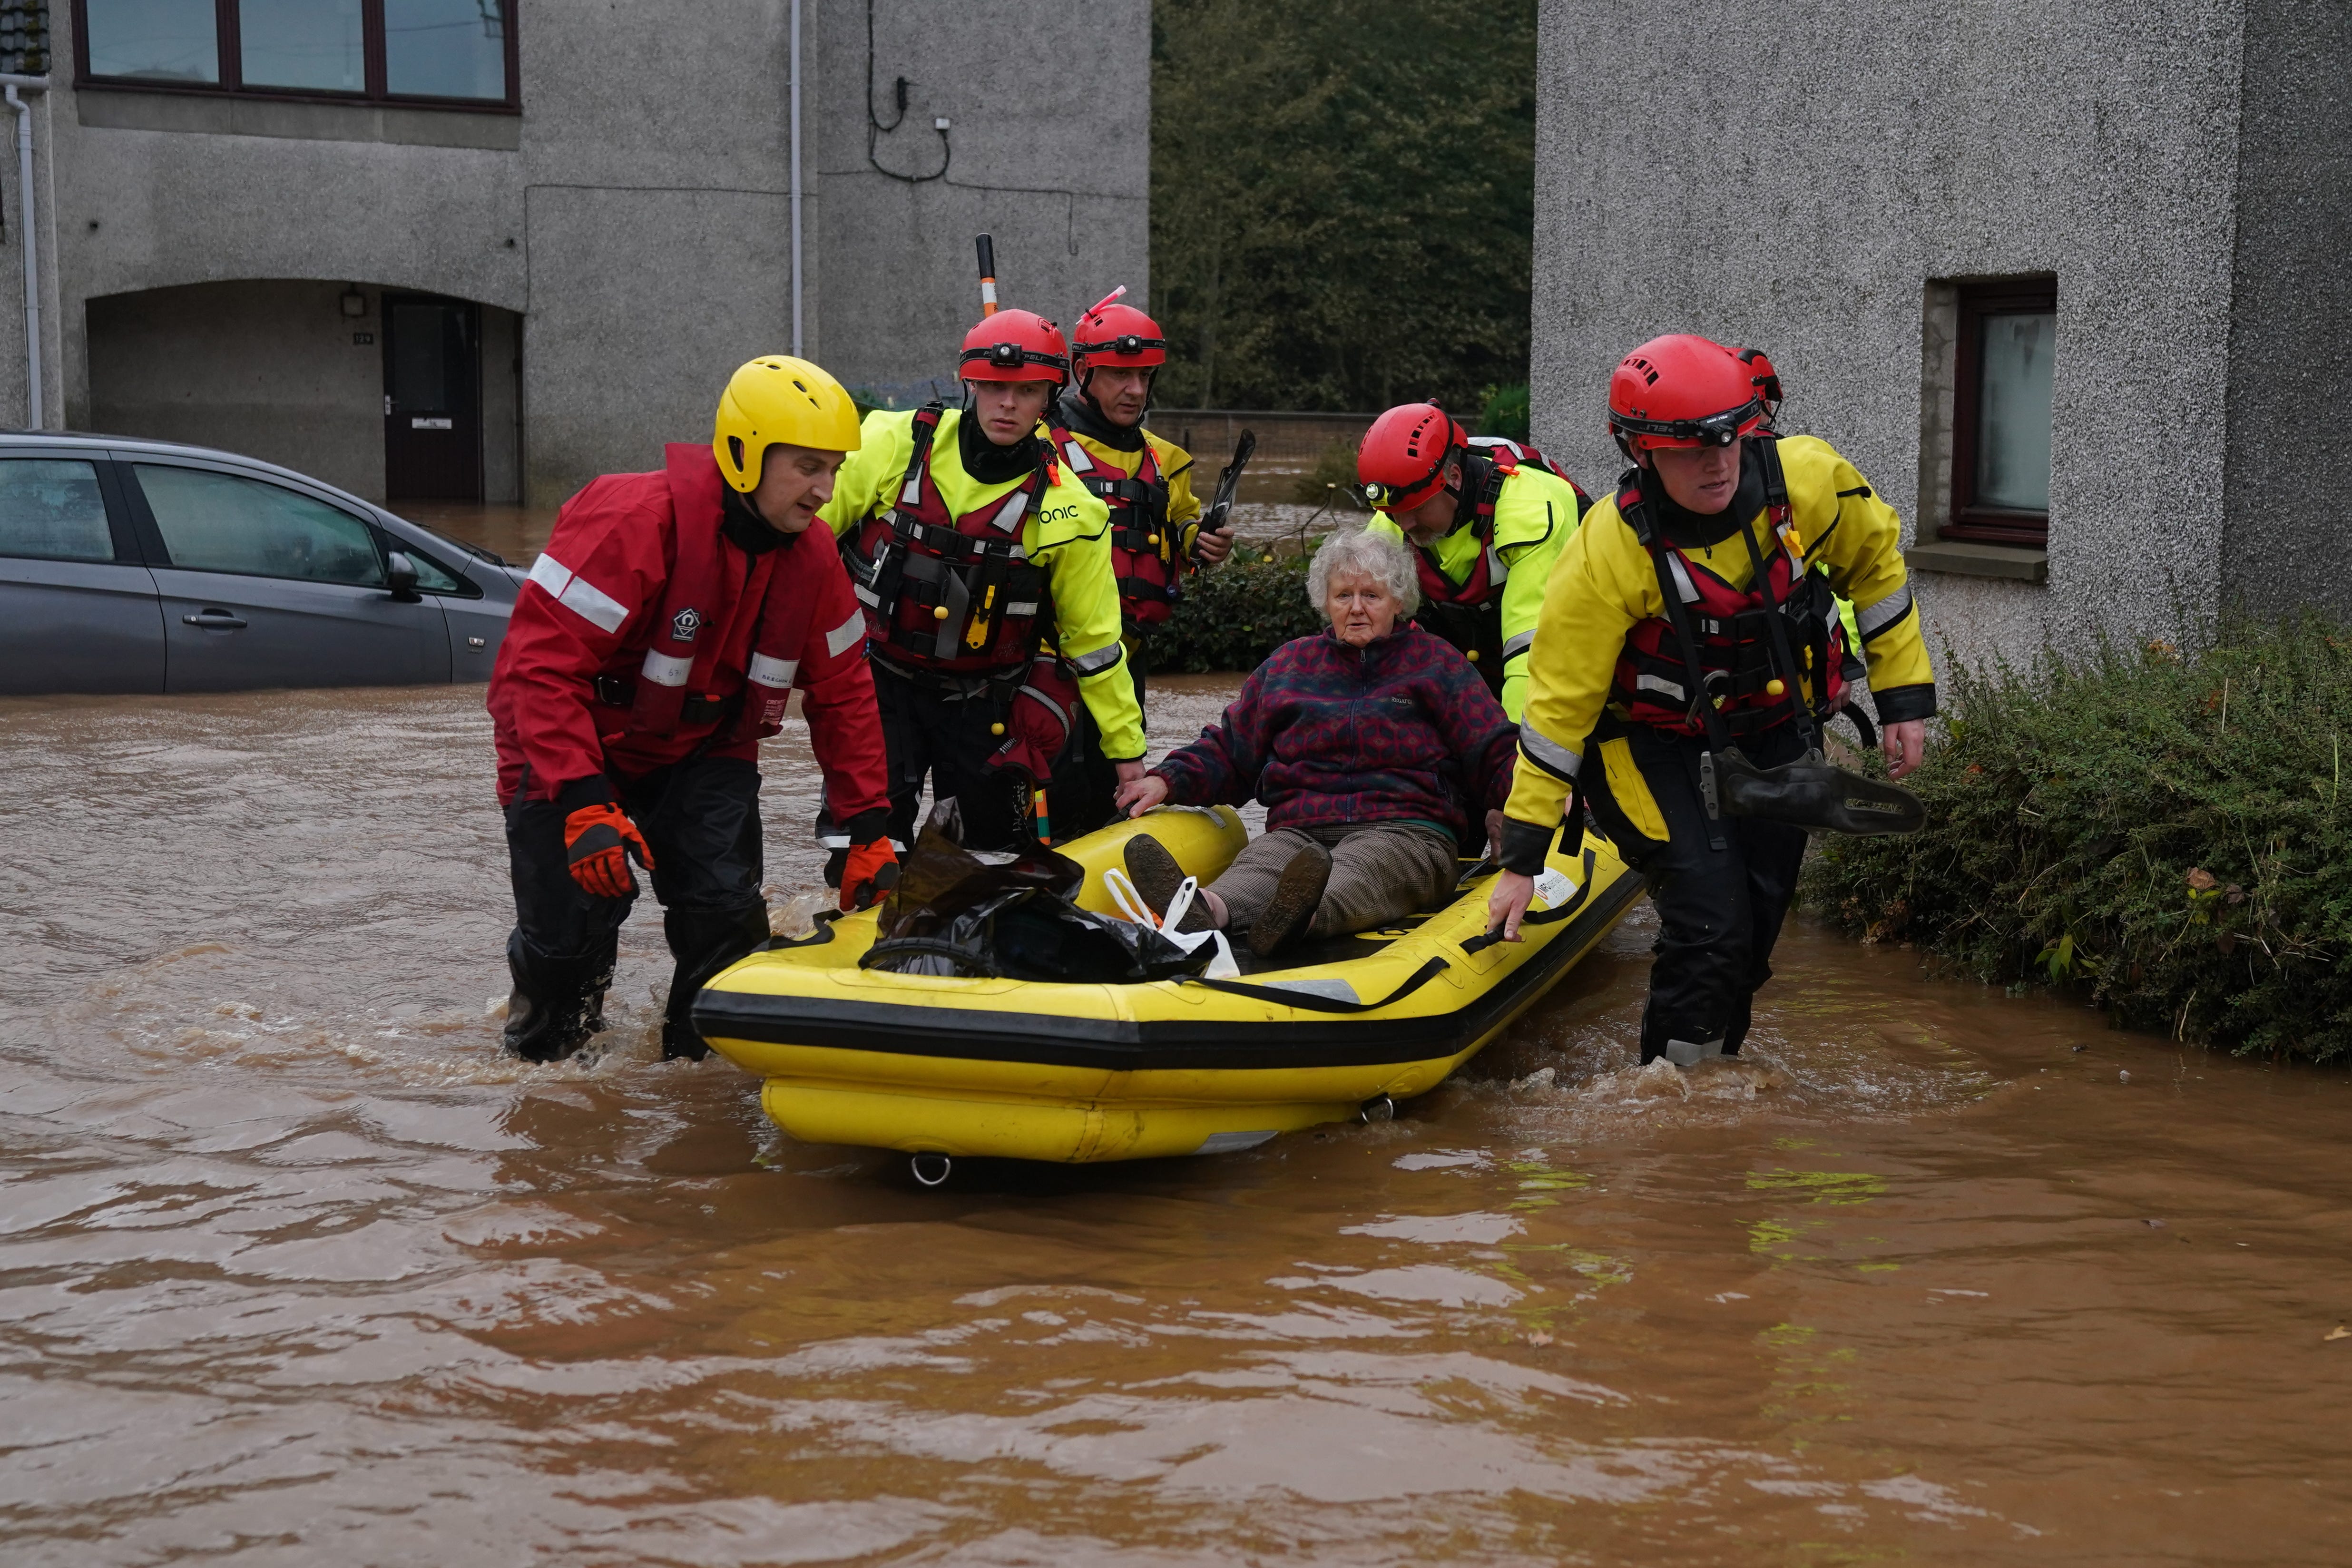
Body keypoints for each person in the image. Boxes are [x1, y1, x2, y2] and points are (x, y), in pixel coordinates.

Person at [1486, 334, 1936, 1066]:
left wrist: (1904, 698)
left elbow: (1878, 568)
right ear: (1641, 450)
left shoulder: (1811, 481)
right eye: (1692, 448)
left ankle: (1714, 1089)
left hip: (1773, 730)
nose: (1718, 462)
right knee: (1709, 924)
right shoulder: (1606, 550)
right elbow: (1559, 709)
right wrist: (1523, 856)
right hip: (1644, 745)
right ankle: (1669, 1099)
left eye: (1730, 439)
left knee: (1754, 929)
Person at [488, 356, 894, 1063]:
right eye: (807, 468)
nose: (825, 491)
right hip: (577, 750)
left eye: (834, 469)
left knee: (727, 924)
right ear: (744, 454)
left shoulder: (814, 559)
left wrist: (868, 830)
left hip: (705, 750)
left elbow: (846, 693)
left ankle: (694, 1088)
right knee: (569, 946)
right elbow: (540, 669)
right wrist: (582, 802)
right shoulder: (632, 520)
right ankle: (547, 1081)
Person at [821, 307, 1147, 853]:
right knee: (861, 849)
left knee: (989, 863)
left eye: (1027, 390)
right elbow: (807, 541)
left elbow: (1093, 644)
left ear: (1050, 398)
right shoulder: (891, 442)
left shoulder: (1073, 510)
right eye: (995, 387)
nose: (1008, 404)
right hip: (879, 685)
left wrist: (1128, 755)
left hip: (986, 704)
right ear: (969, 383)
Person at [1115, 529, 1515, 957]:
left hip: (1406, 831)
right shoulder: (1289, 665)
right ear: (1326, 602)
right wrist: (1167, 780)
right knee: (1263, 863)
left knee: (1361, 867)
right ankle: (1208, 908)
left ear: (1398, 602)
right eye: (1343, 596)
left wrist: (1540, 797)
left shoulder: (1438, 664)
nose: (1356, 608)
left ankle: (1299, 918)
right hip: (1301, 829)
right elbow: (1231, 748)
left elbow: (1493, 749)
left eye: (1371, 596)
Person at [1046, 290, 1237, 834]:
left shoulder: (1163, 459)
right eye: (1119, 376)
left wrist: (1201, 542)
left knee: (1110, 788)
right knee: (1049, 787)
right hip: (1047, 660)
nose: (1135, 390)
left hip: (1126, 658)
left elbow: (1183, 523)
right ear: (1082, 372)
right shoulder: (1039, 446)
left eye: (1144, 376)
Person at [1360, 401, 1593, 721]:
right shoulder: (1398, 514)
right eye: (1392, 513)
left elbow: (1534, 652)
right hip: (1476, 663)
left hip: (1572, 666)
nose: (1405, 525)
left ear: (1455, 477)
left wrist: (1509, 744)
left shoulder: (1528, 511)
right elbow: (1358, 626)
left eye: (1418, 509)